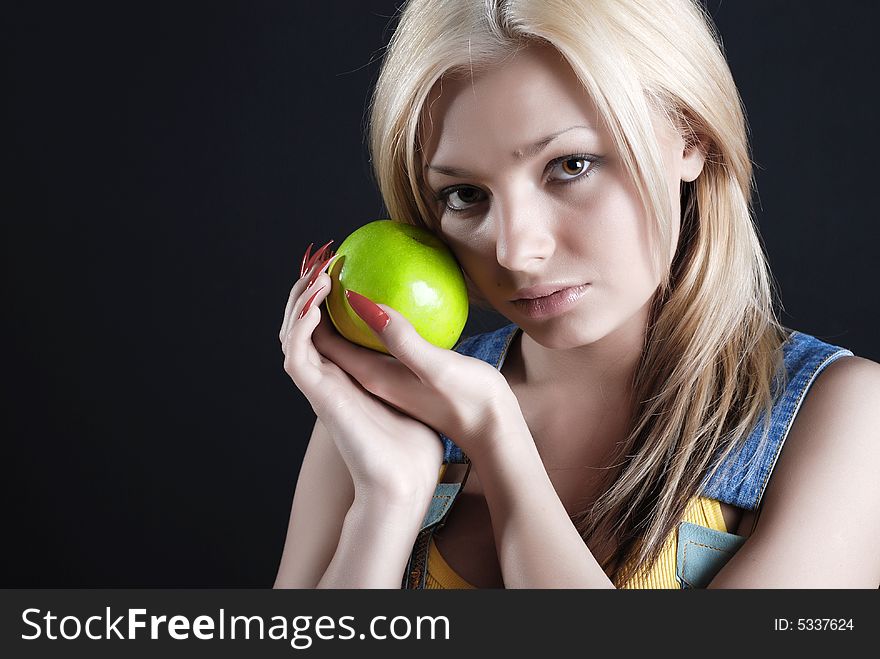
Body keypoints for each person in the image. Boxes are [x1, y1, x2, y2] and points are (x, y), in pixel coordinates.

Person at [273, 0, 880, 588]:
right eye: (464, 194)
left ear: (690, 137)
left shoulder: (843, 421)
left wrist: (498, 441)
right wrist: (386, 501)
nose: (515, 249)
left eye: (570, 166)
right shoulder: (380, 411)